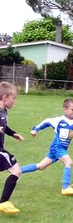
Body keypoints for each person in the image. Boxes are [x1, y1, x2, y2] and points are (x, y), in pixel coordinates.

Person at [20, 98, 73, 196]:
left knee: (41, 166)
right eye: (72, 109)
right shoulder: (59, 120)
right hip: (57, 147)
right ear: (65, 109)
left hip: (62, 149)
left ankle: (17, 170)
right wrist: (35, 129)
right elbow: (47, 122)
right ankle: (66, 187)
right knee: (69, 162)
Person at [0, 82, 24, 214]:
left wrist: (13, 133)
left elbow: (4, 127)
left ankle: (3, 203)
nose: (14, 101)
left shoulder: (4, 111)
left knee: (16, 170)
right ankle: (3, 203)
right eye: (13, 98)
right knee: (16, 170)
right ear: (5, 97)